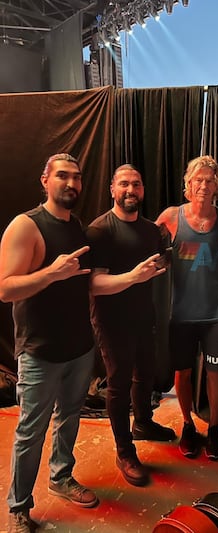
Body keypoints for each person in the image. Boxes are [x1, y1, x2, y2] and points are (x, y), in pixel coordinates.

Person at [0, 154, 98, 533]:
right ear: (45, 180)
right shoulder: (26, 226)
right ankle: (19, 506)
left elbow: (87, 284)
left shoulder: (78, 228)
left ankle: (61, 477)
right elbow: (6, 288)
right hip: (39, 352)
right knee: (30, 431)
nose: (71, 183)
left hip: (79, 348)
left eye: (76, 177)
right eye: (62, 176)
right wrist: (51, 273)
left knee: (69, 417)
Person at [86, 164, 175, 488]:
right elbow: (94, 284)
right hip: (112, 321)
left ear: (142, 190)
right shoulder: (100, 230)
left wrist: (166, 261)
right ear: (112, 189)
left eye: (136, 184)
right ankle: (124, 452)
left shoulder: (150, 230)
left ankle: (143, 424)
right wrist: (134, 277)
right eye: (124, 184)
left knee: (146, 375)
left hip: (143, 316)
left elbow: (158, 262)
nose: (130, 190)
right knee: (119, 384)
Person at [155, 155, 218, 461]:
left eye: (209, 180)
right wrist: (162, 258)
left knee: (215, 372)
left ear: (217, 185)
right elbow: (147, 243)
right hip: (182, 314)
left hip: (216, 313)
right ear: (188, 184)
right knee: (183, 372)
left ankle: (214, 427)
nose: (203, 185)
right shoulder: (171, 217)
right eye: (197, 180)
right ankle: (188, 424)